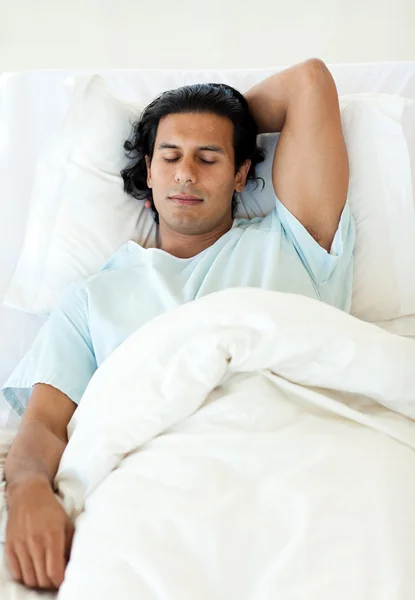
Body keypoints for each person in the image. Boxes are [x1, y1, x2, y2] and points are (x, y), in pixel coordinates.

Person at [0, 58, 354, 591]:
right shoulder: (94, 298)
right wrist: (28, 492)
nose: (186, 173)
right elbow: (46, 425)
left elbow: (309, 81)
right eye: (170, 156)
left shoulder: (297, 243)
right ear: (147, 170)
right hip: (158, 484)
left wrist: (226, 113)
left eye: (208, 158)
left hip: (297, 463)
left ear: (241, 173)